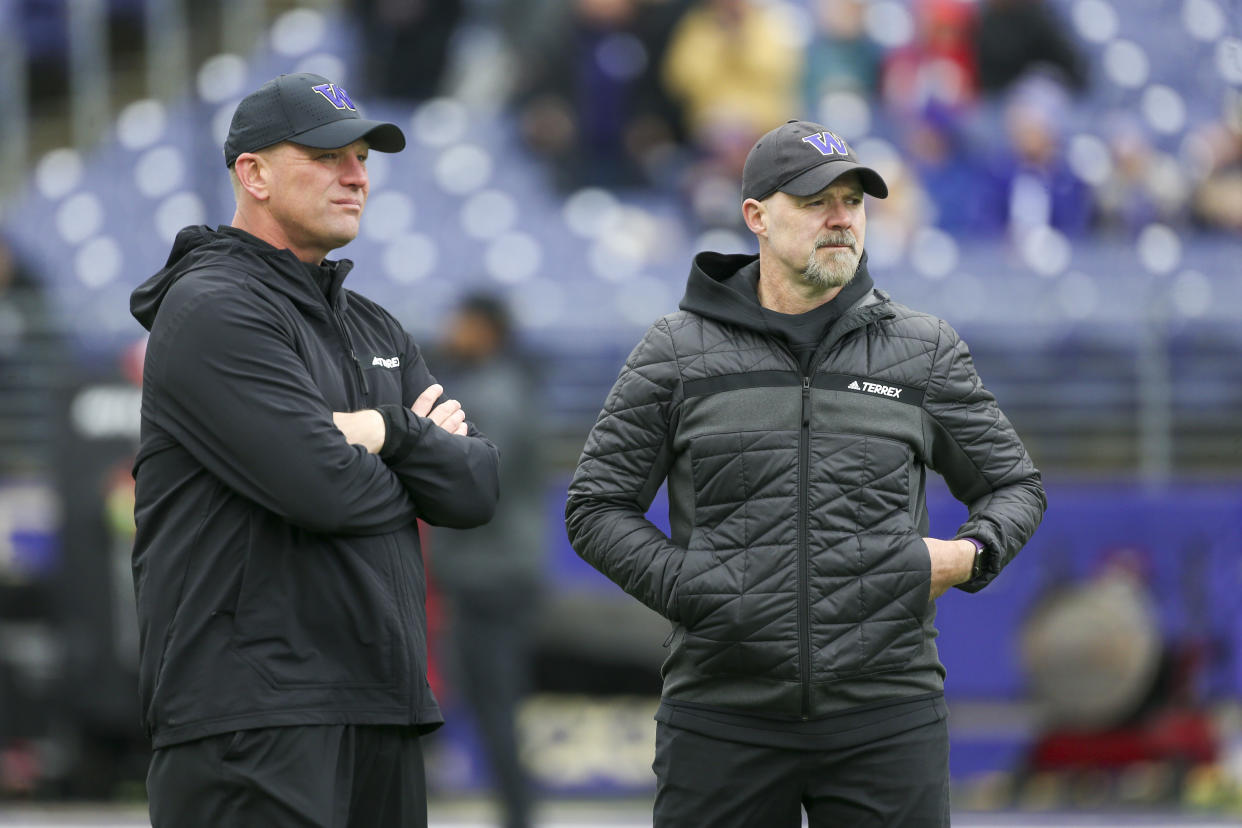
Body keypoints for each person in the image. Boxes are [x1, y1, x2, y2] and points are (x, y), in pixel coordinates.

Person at [565, 119, 1046, 826]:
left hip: (886, 714)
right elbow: (596, 506)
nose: (840, 219)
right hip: (721, 715)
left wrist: (968, 555)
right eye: (817, 200)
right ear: (756, 216)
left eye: (853, 202)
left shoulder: (923, 350)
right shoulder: (675, 351)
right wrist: (694, 588)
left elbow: (1014, 486)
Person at [128, 73, 500, 828]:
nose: (357, 175)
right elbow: (325, 488)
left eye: (362, 156)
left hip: (376, 702)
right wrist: (415, 454)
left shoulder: (374, 326)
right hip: (251, 714)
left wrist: (388, 432)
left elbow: (474, 490)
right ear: (253, 174)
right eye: (327, 156)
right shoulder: (211, 307)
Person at [429, 293, 545, 828]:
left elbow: (476, 480)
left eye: (462, 322)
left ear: (487, 328)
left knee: (495, 702)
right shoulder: (497, 385)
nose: (452, 330)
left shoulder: (494, 392)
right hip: (487, 571)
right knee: (484, 699)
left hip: (492, 575)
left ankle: (519, 816)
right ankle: (516, 812)